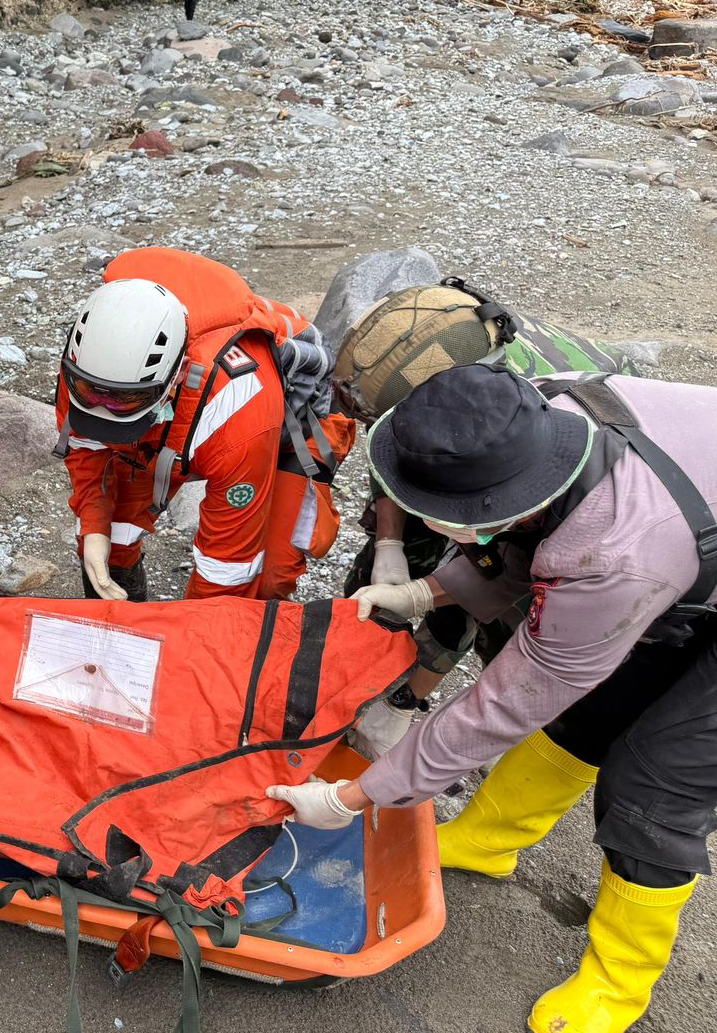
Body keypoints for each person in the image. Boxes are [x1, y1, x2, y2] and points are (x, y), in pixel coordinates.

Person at [269, 364, 717, 1033]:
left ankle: (618, 984)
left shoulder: (614, 553)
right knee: (591, 709)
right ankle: (488, 840)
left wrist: (356, 796)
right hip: (683, 541)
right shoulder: (520, 416)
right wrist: (427, 592)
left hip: (660, 550)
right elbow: (519, 546)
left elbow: (510, 699)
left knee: (653, 790)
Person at [330, 278, 646, 756]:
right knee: (400, 571)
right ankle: (345, 683)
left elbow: (494, 572)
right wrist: (389, 547)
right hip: (474, 452)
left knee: (508, 612)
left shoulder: (543, 442)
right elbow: (397, 457)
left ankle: (469, 725)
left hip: (578, 484)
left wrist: (403, 698)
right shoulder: (441, 364)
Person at [56, 247, 353, 603]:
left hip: (286, 425)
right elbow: (87, 448)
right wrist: (93, 530)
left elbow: (228, 564)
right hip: (167, 408)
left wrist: (190, 641)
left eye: (123, 402)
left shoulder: (238, 408)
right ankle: (123, 616)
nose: (103, 405)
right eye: (93, 396)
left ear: (179, 373)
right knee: (110, 537)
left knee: (267, 576)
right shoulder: (90, 367)